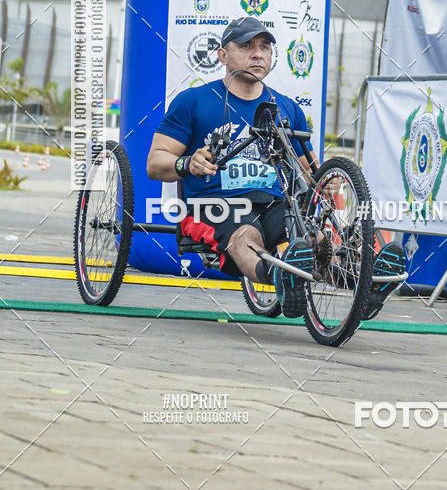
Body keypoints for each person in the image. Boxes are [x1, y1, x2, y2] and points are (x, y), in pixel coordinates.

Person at [147, 16, 404, 319]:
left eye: (264, 47)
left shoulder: (286, 107)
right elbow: (155, 162)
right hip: (214, 204)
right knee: (245, 235)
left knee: (314, 243)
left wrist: (327, 180)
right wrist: (188, 162)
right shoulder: (193, 101)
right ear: (222, 55)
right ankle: (282, 279)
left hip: (274, 203)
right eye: (246, 46)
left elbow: (310, 170)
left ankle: (364, 285)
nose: (257, 54)